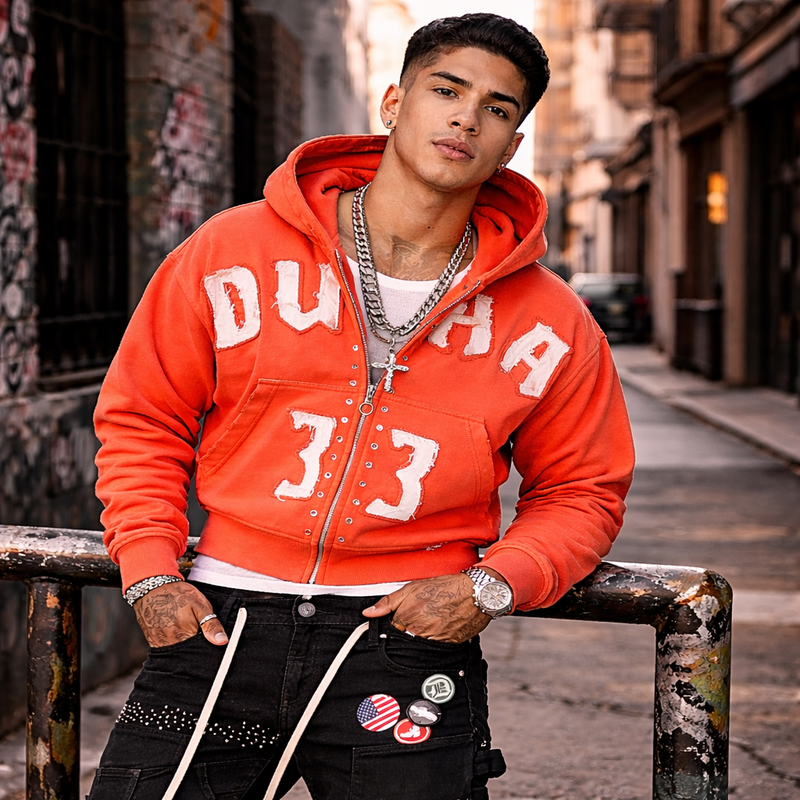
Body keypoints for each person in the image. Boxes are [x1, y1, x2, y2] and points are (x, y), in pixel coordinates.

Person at [89, 13, 634, 800]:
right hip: (219, 624)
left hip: (406, 644)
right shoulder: (232, 250)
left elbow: (584, 489)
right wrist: (148, 572)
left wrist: (489, 587)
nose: (465, 118)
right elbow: (144, 418)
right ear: (393, 103)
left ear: (511, 146)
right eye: (446, 90)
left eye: (496, 108)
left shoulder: (550, 320)